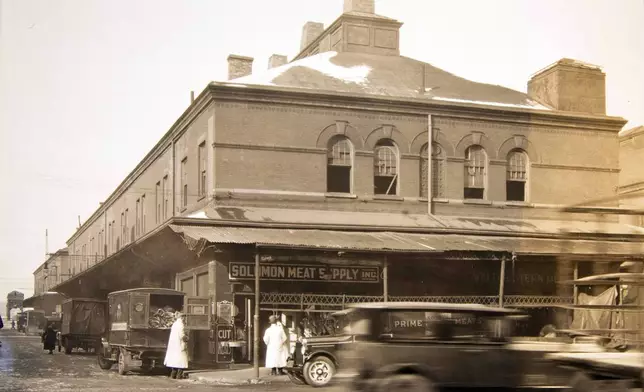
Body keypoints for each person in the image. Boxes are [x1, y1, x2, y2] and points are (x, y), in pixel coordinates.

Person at [164, 312, 189, 379]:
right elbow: (182, 335)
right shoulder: (181, 325)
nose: (185, 319)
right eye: (184, 317)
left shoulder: (174, 324)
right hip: (179, 345)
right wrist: (187, 338)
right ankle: (179, 376)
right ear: (181, 317)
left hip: (174, 345)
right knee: (181, 361)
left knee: (174, 361)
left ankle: (172, 375)